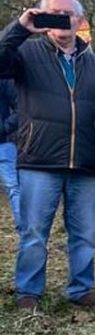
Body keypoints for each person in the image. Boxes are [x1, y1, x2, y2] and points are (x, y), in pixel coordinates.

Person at [0, 0, 95, 311]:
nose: (63, 19)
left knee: (85, 233)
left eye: (69, 14)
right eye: (54, 13)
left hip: (86, 162)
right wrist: (20, 28)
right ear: (41, 17)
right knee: (35, 231)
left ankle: (81, 288)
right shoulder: (25, 53)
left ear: (80, 19)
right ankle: (29, 292)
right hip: (39, 160)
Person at [0, 79, 19, 231]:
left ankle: (26, 234)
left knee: (14, 187)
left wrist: (4, 128)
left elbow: (21, 108)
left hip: (3, 143)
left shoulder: (3, 77)